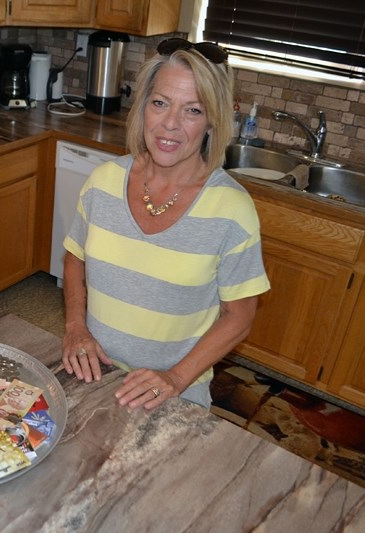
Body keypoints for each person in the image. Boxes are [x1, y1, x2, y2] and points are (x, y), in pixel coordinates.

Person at [61, 39, 270, 411]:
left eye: (193, 110)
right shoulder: (103, 181)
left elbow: (240, 316)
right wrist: (76, 328)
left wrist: (174, 378)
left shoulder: (232, 209)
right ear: (143, 108)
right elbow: (75, 256)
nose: (170, 124)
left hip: (174, 393)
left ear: (212, 121)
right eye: (160, 103)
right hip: (95, 375)